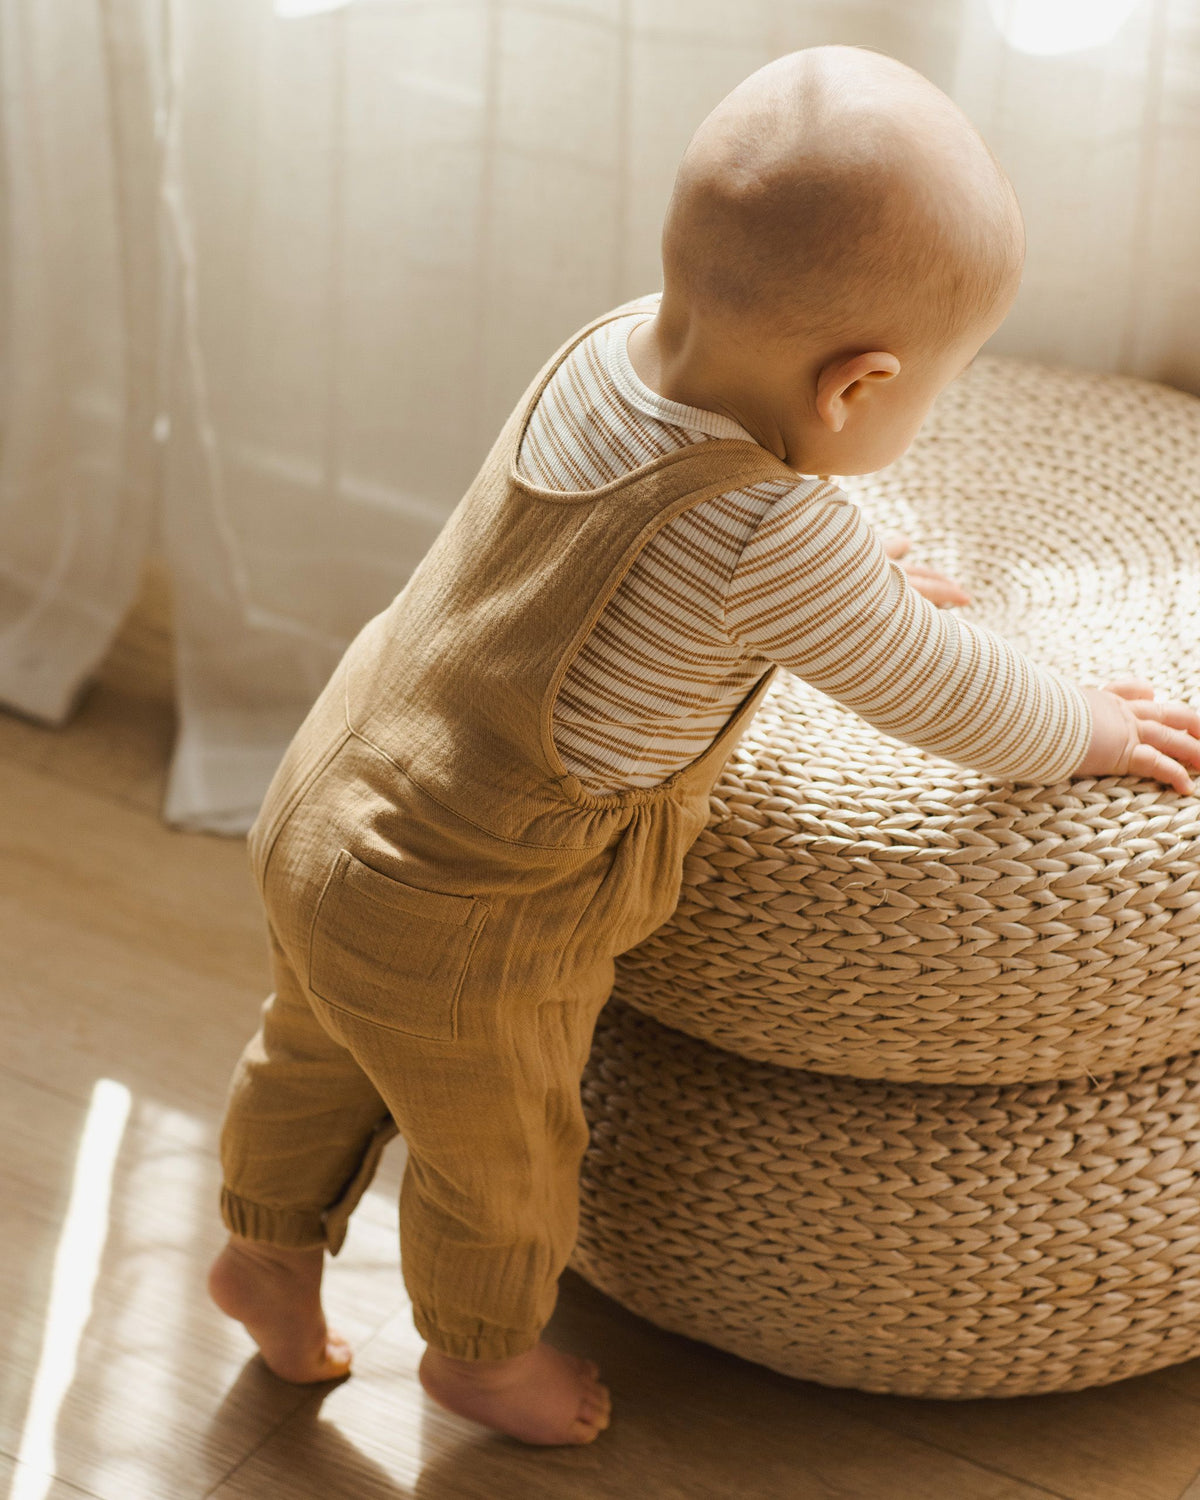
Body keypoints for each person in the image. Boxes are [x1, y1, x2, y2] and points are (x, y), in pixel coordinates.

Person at [207, 45, 1200, 1446]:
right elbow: (944, 691)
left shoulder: (611, 349)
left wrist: (843, 574)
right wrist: (1087, 723)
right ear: (856, 391)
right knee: (501, 1148)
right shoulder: (765, 528)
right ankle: (480, 1353)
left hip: (334, 792)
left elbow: (654, 568)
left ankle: (265, 1247)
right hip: (470, 903)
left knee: (315, 1054)